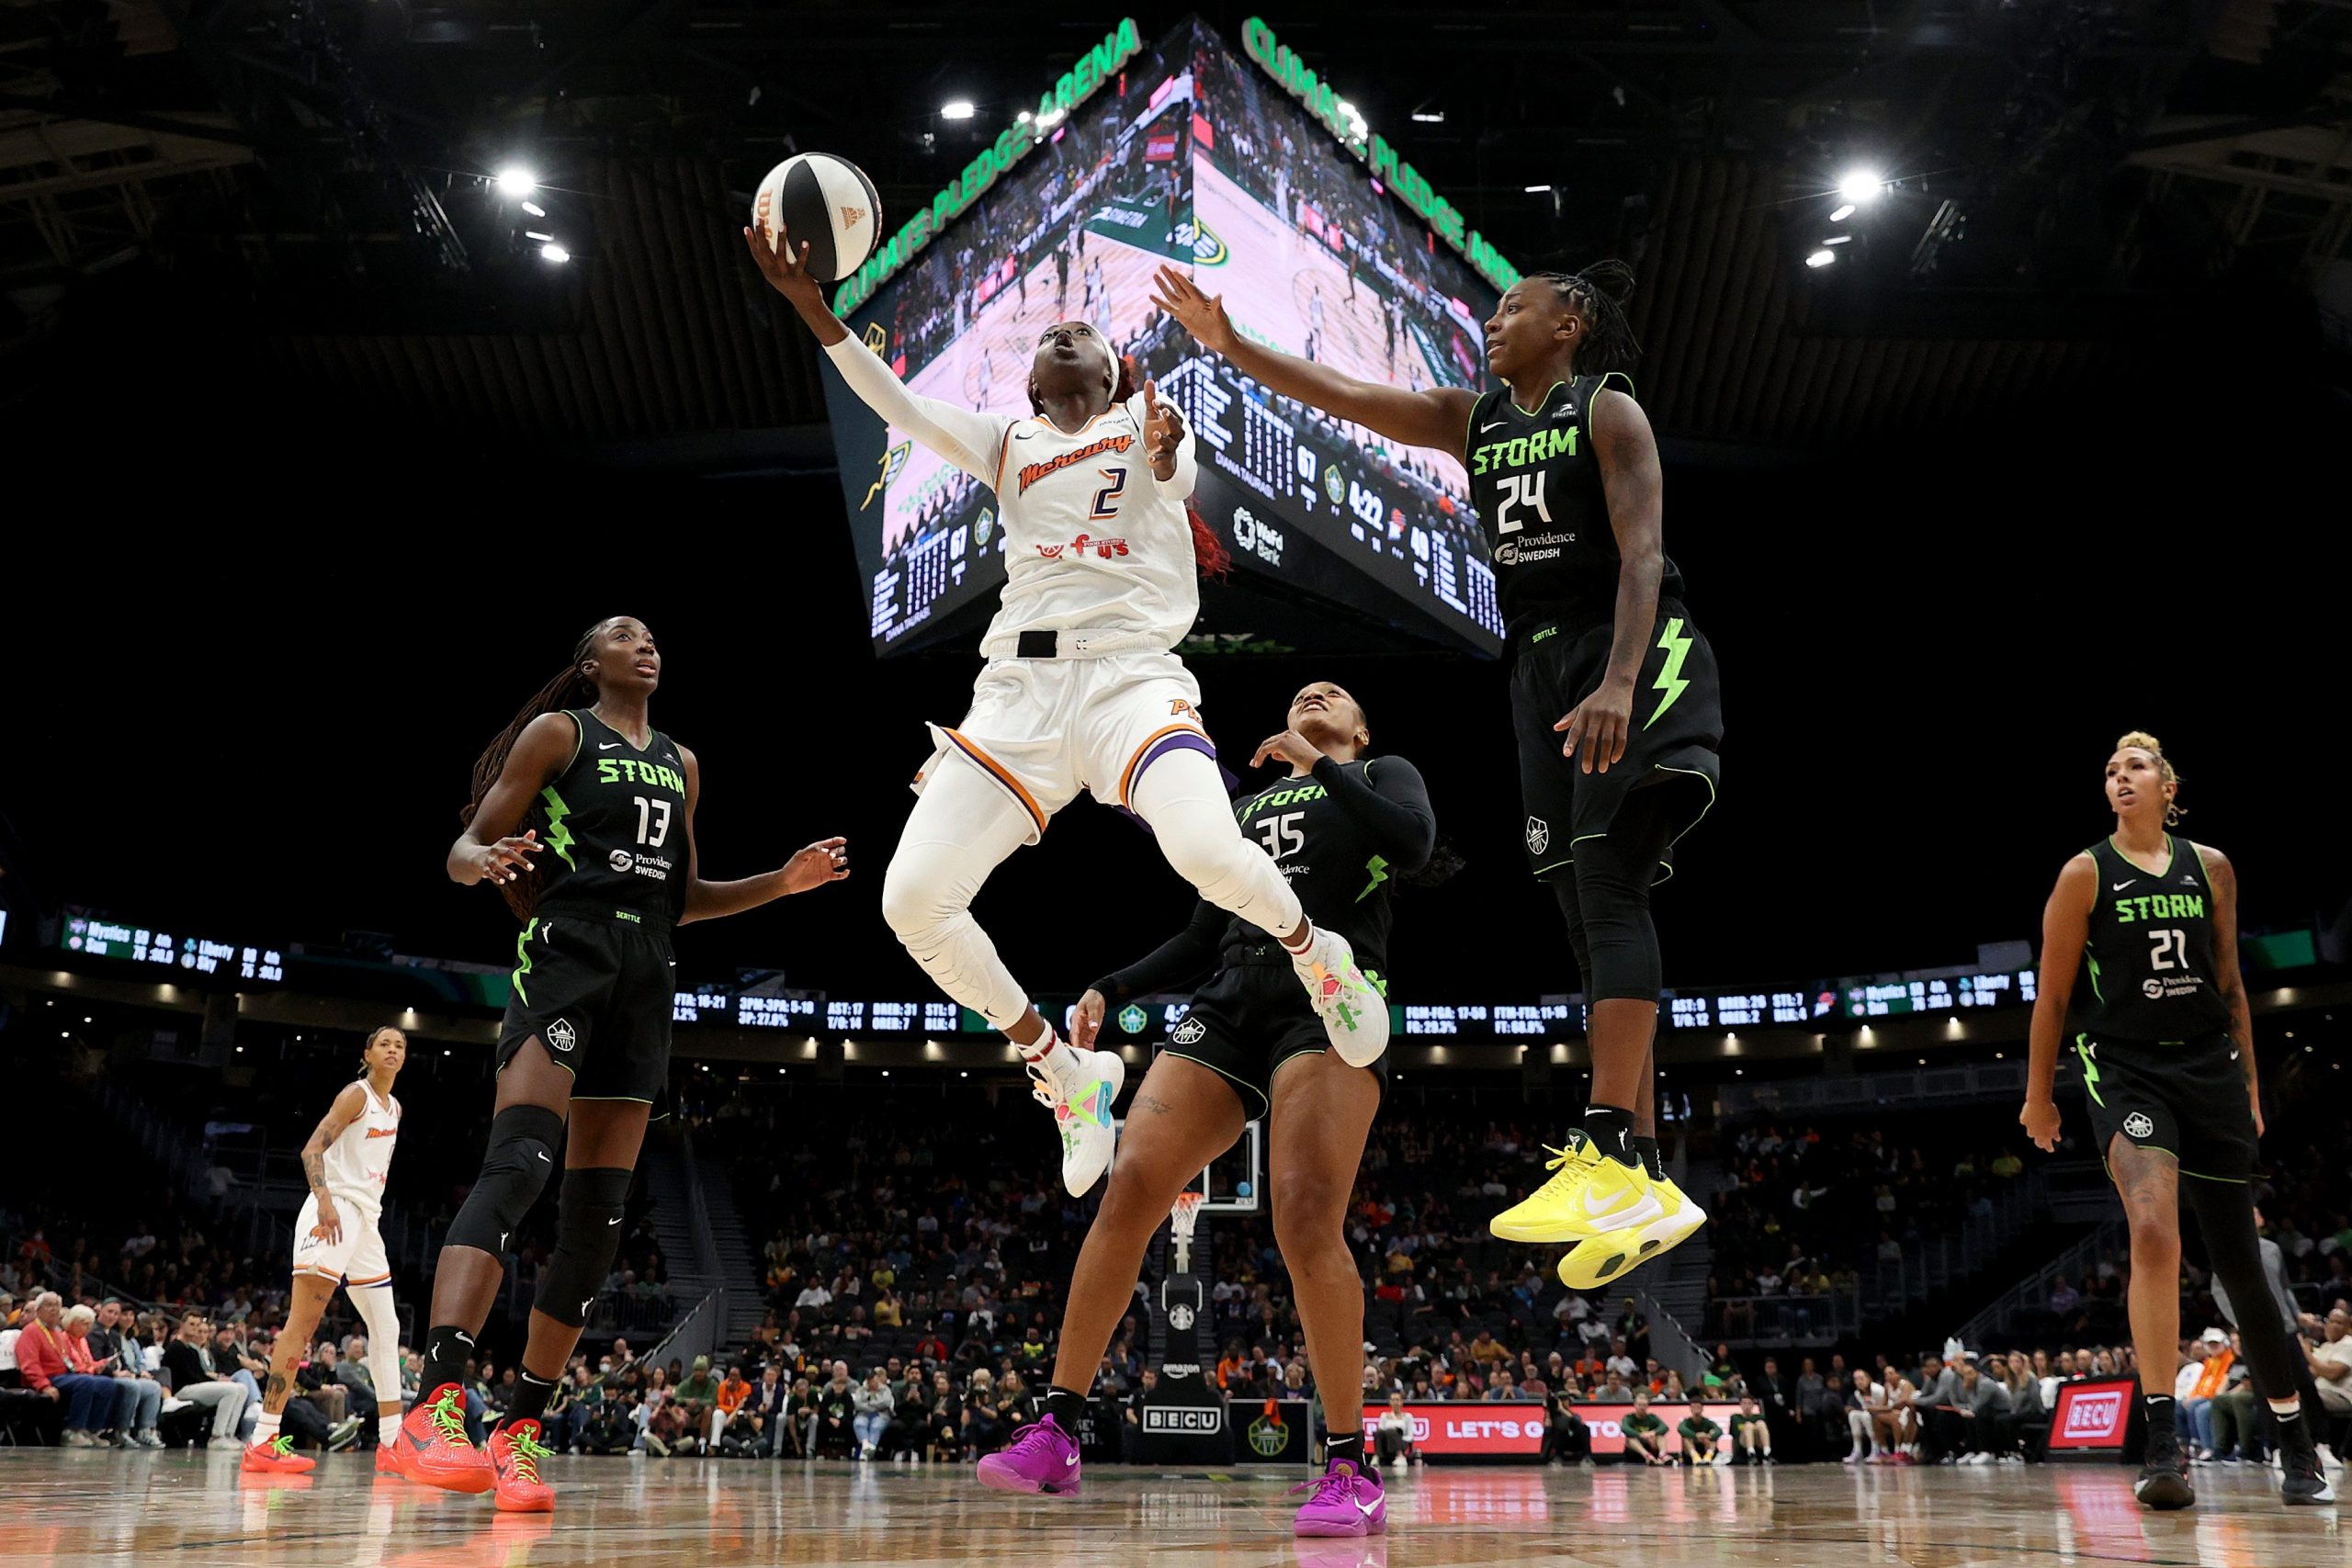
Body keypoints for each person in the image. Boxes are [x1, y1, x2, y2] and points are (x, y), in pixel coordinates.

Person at [746, 220, 1391, 1205]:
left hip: (1134, 680)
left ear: (1111, 367)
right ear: (1030, 383)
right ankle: (1062, 1070)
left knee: (1209, 857)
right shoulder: (1005, 443)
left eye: (1081, 330)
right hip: (1017, 698)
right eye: (1049, 335)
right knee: (909, 901)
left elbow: (1176, 478)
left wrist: (1168, 452)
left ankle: (1319, 957)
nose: (1061, 333)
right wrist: (810, 308)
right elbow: (896, 403)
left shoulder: (1144, 421)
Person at [1149, 260, 1718, 1287]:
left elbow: (1641, 556)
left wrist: (1622, 682)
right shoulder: (1475, 419)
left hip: (1626, 649)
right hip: (1540, 662)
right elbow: (1343, 396)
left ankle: (1609, 1148)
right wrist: (1232, 347)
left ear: (1569, 322)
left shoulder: (1608, 410)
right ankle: (1644, 1177)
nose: (1493, 322)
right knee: (1582, 914)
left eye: (1512, 309)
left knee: (1608, 882)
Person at [401, 615, 852, 1511]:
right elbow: (461, 850)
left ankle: (518, 1431)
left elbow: (682, 897)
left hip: (646, 987)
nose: (646, 644)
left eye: (651, 637)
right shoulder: (560, 735)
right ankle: (437, 1400)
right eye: (624, 635)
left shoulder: (682, 762)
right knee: (520, 1164)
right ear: (588, 662)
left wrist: (782, 883)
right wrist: (485, 858)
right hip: (568, 962)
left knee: (597, 1225)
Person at [973, 683, 1435, 1540]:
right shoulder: (1248, 806)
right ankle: (1058, 1429)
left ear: (1362, 727)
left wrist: (1325, 768)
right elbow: (1199, 934)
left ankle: (1349, 1465)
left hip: (1328, 997)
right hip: (1228, 998)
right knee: (1131, 1183)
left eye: (1335, 694)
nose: (1313, 692)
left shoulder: (1382, 772)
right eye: (1301, 693)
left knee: (1302, 1215)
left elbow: (1412, 844)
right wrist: (1112, 986)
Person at [2020, 731, 2333, 1508]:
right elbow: (2053, 997)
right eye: (2109, 771)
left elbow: (2232, 986)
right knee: (2156, 1229)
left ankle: (2296, 1438)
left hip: (2209, 1068)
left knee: (2243, 1266)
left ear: (2168, 785)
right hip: (2124, 1065)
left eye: (2135, 768)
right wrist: (2038, 1094)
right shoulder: (2084, 873)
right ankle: (2163, 1444)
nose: (2119, 778)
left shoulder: (2212, 867)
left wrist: (2252, 1086)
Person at [240, 1025, 413, 1475]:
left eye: (400, 1045)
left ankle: (394, 1443)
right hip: (332, 1213)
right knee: (304, 1323)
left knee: (387, 1324)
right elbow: (311, 1149)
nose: (393, 1050)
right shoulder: (356, 1095)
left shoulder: (394, 1107)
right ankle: (263, 1440)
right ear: (368, 1054)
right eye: (385, 1044)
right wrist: (324, 1202)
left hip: (365, 1222)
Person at [159, 1311, 250, 1449]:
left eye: (197, 1325)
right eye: (191, 1324)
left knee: (241, 1388)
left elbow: (199, 1374)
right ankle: (217, 1436)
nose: (194, 1328)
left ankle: (229, 1434)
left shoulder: (193, 1350)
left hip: (195, 1387)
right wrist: (215, 1381)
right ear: (182, 1325)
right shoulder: (175, 1347)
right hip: (181, 1390)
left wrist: (216, 1380)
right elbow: (188, 1376)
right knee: (230, 1390)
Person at [852, 1368, 894, 1460]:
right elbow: (858, 1404)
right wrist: (874, 1407)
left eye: (873, 1378)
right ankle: (866, 1446)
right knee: (859, 1424)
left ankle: (866, 1452)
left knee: (876, 1426)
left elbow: (886, 1403)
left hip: (881, 1415)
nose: (872, 1381)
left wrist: (869, 1404)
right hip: (863, 1414)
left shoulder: (885, 1389)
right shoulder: (860, 1390)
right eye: (869, 1379)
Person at [1621, 1389, 1670, 1465]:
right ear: (1635, 1405)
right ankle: (1647, 1456)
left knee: (1661, 1436)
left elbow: (1665, 1427)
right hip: (1635, 1449)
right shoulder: (1629, 1418)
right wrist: (1640, 1435)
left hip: (1651, 1445)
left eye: (1644, 1405)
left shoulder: (1652, 1417)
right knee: (1630, 1439)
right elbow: (1624, 1428)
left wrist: (1653, 1433)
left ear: (1647, 1406)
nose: (1642, 1408)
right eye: (1639, 1405)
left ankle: (1662, 1455)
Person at [1373, 1392, 1416, 1469]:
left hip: (1401, 1442)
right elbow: (1381, 1430)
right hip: (1386, 1443)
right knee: (1379, 1432)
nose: (1395, 1403)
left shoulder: (1408, 1416)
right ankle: (1377, 1456)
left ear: (1402, 1402)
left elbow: (1410, 1436)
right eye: (1393, 1400)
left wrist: (1397, 1435)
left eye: (1397, 1400)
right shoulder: (1384, 1415)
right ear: (1390, 1402)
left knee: (1392, 1431)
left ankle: (1400, 1456)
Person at [1730, 1393, 1773, 1464]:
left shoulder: (1759, 1417)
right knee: (1748, 1425)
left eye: (1749, 1403)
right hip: (1743, 1443)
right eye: (1744, 1403)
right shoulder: (1735, 1417)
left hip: (1758, 1442)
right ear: (1740, 1404)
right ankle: (1751, 1453)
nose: (1747, 1406)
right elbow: (1733, 1437)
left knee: (1760, 1423)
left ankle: (1767, 1453)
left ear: (1753, 1405)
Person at [1679, 1396, 1722, 1466]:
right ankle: (1695, 1457)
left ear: (1702, 1408)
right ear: (1691, 1409)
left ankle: (1708, 1456)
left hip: (1705, 1448)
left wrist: (1708, 1436)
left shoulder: (1707, 1422)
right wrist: (1696, 1435)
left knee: (1713, 1433)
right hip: (1689, 1453)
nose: (1696, 1409)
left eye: (1698, 1407)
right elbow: (1681, 1429)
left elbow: (1719, 1431)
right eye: (1694, 1407)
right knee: (1686, 1438)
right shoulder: (1686, 1422)